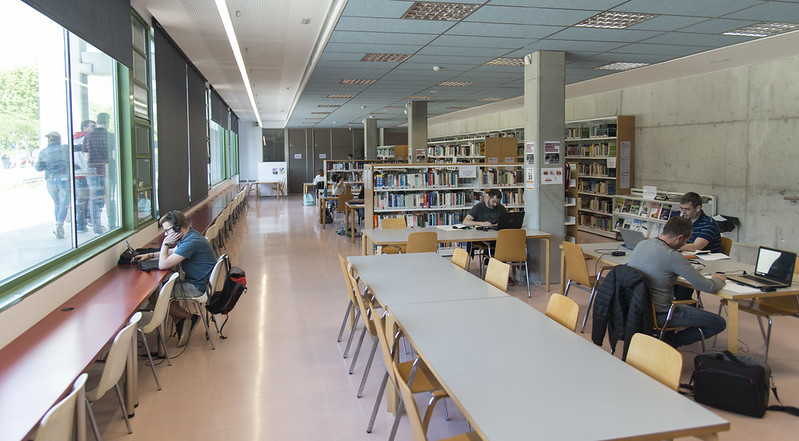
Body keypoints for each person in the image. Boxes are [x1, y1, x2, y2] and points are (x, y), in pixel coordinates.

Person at [628, 216, 727, 348]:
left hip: (636, 309)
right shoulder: (673, 256)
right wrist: (719, 280)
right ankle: (670, 343)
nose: (684, 244)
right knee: (719, 323)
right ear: (680, 238)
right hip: (662, 313)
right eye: (686, 241)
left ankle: (665, 339)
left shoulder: (641, 244)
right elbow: (708, 286)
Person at [133, 210, 217, 347]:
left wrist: (165, 244)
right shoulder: (190, 236)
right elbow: (174, 251)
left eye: (167, 231)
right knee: (165, 290)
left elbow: (163, 264)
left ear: (178, 228)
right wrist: (149, 256)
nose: (166, 235)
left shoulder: (192, 241)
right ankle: (182, 322)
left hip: (197, 287)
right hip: (201, 282)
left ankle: (188, 318)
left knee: (155, 296)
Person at [35, 132, 70, 239]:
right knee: (64, 204)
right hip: (63, 179)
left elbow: (38, 168)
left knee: (57, 203)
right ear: (59, 139)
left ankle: (58, 225)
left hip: (50, 181)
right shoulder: (64, 148)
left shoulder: (43, 152)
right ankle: (59, 224)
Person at [82, 113, 111, 236]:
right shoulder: (110, 136)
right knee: (109, 198)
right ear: (108, 121)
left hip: (92, 170)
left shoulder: (88, 137)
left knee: (94, 200)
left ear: (97, 122)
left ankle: (97, 229)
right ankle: (112, 225)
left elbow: (86, 157)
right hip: (106, 169)